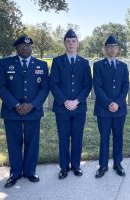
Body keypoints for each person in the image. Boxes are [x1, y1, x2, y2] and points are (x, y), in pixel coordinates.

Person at [0, 36, 49, 188]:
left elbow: (45, 88)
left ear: (32, 47)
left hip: (33, 111)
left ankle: (30, 171)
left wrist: (32, 105)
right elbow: (1, 86)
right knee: (14, 142)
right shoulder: (5, 63)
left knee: (32, 142)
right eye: (21, 46)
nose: (25, 48)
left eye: (28, 46)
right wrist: (16, 104)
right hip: (12, 110)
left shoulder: (42, 65)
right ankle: (15, 173)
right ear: (16, 48)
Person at [49, 29, 92, 179]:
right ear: (64, 43)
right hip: (62, 108)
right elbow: (53, 84)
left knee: (77, 137)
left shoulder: (84, 62)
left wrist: (77, 101)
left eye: (73, 41)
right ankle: (64, 167)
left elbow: (87, 85)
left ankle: (76, 166)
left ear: (78, 43)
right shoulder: (57, 61)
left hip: (79, 108)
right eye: (68, 41)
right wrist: (64, 101)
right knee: (63, 137)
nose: (71, 44)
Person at [93, 35, 129, 178]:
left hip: (119, 109)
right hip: (103, 109)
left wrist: (118, 103)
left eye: (114, 47)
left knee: (118, 137)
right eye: (109, 47)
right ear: (105, 49)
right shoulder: (98, 65)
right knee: (104, 138)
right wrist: (109, 103)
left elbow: (125, 86)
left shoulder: (123, 66)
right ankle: (102, 165)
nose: (112, 49)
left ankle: (118, 164)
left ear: (117, 49)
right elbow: (97, 86)